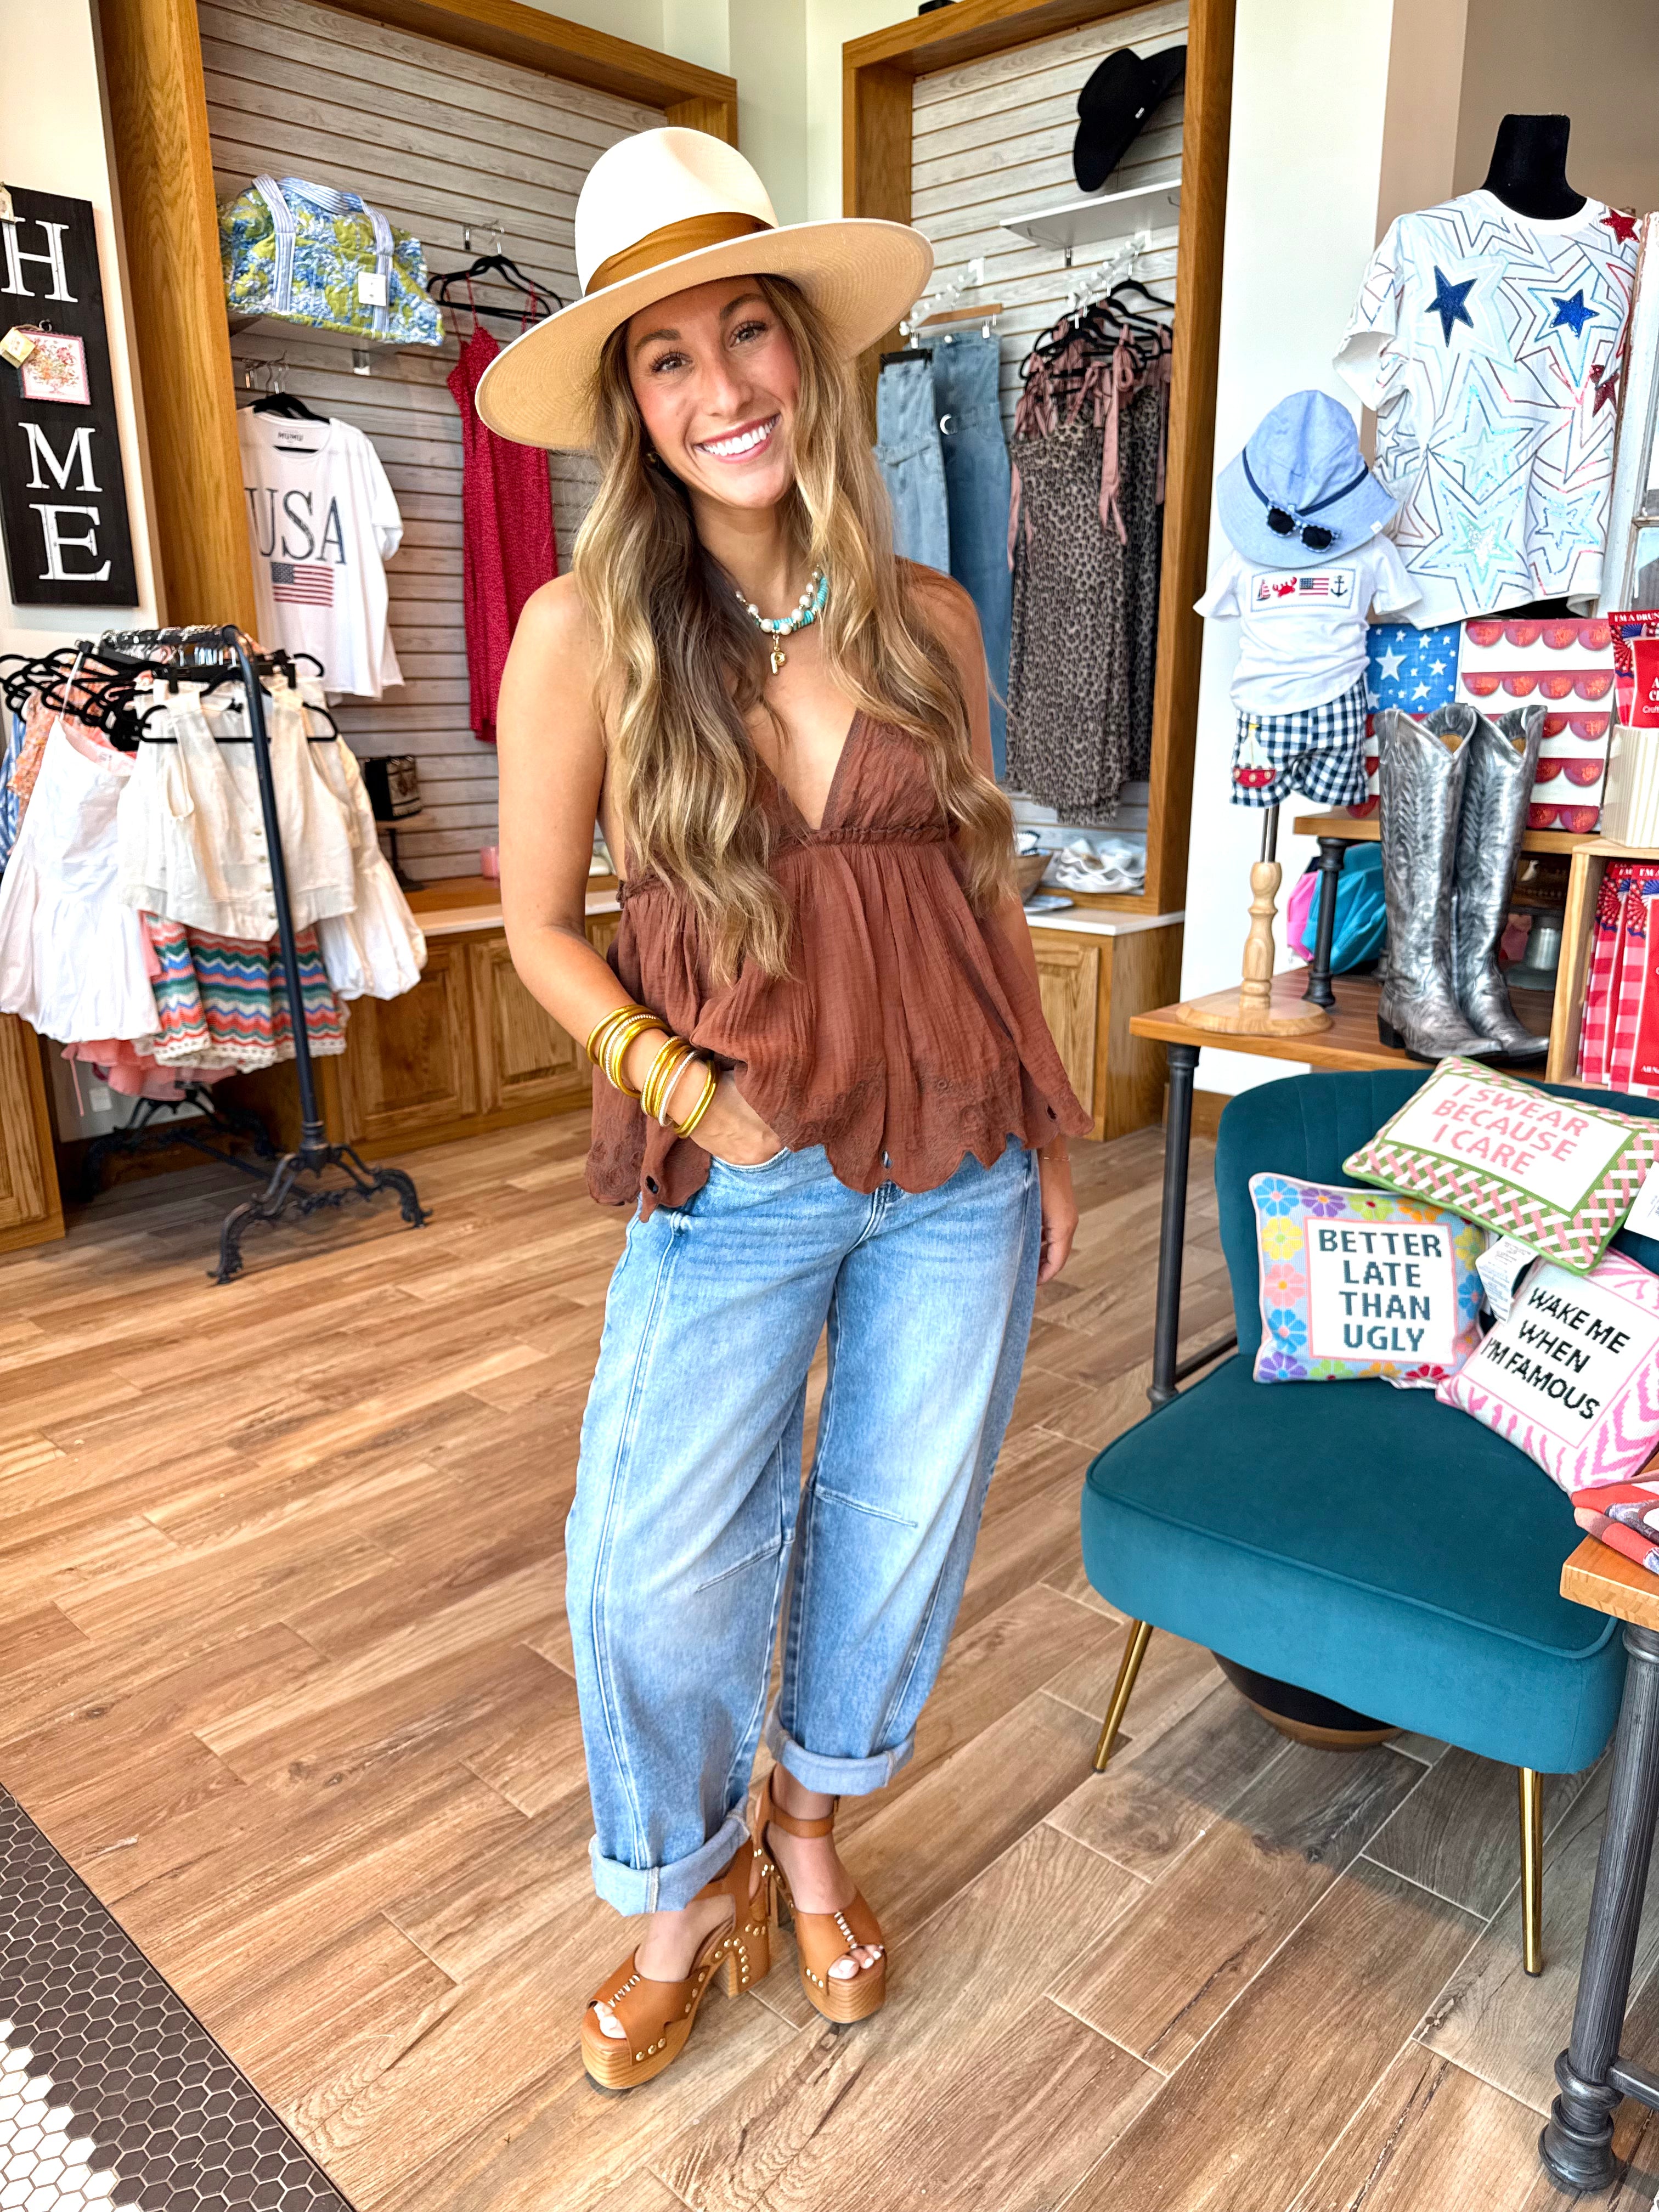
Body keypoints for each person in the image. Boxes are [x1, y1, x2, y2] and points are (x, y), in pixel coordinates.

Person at [484, 127, 1090, 2093]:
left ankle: (809, 1833)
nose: (722, 386)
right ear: (631, 406)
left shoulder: (930, 616)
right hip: (737, 1167)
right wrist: (692, 1091)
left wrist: (1047, 1129)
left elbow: (985, 888)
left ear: (807, 356)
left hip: (959, 1152)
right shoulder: (584, 635)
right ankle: (687, 1886)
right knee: (649, 1562)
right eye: (667, 357)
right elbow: (536, 929)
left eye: (749, 331)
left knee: (901, 1525)